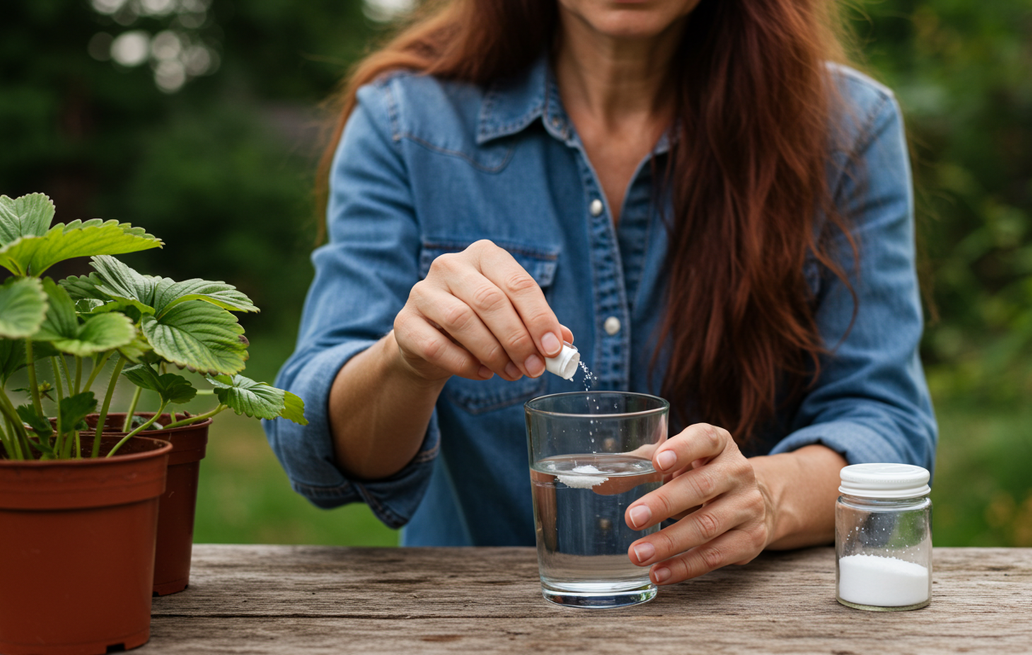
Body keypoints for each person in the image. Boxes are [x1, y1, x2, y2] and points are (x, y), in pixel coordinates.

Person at [265, 0, 937, 587]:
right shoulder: (405, 122)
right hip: (476, 629)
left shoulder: (844, 130)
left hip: (740, 624)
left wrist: (767, 494)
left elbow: (887, 427)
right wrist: (408, 360)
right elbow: (313, 442)